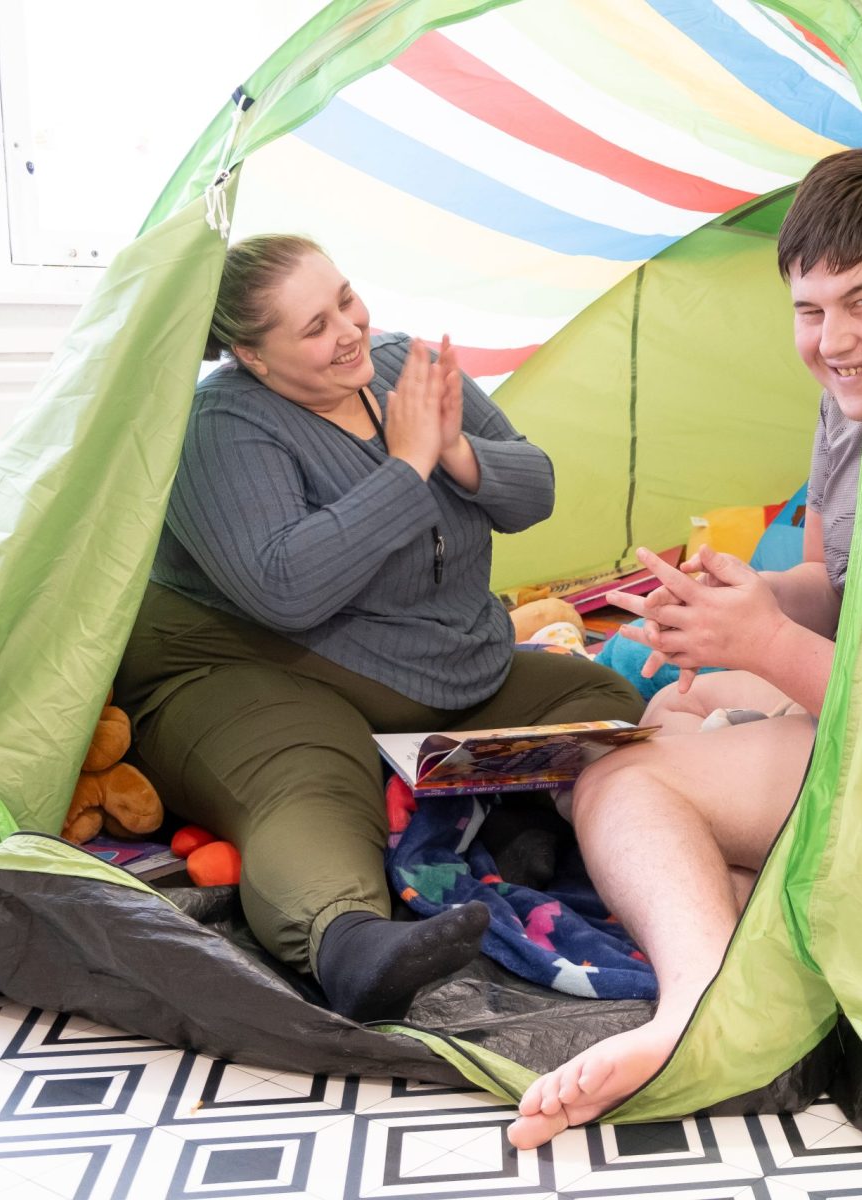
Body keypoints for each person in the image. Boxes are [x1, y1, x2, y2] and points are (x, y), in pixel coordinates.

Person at [115, 234, 644, 1023]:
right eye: (315, 327)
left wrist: (456, 448)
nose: (350, 329)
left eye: (346, 299)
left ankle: (516, 824)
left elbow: (534, 489)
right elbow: (286, 589)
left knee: (604, 705)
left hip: (437, 665)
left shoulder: (406, 366)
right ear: (253, 358)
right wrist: (408, 466)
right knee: (313, 772)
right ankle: (349, 940)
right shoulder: (220, 426)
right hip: (253, 665)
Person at [507, 147, 862, 1149]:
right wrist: (742, 600)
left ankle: (694, 1014)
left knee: (617, 781)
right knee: (673, 700)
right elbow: (839, 589)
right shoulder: (846, 407)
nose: (835, 339)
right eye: (810, 311)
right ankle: (753, 947)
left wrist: (763, 644)